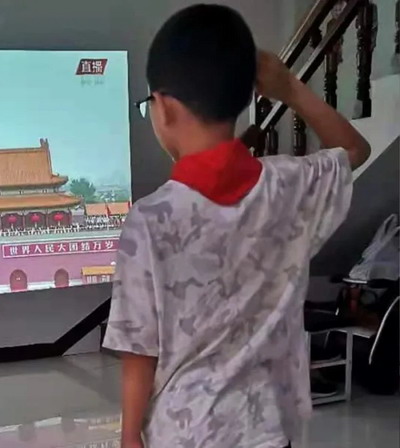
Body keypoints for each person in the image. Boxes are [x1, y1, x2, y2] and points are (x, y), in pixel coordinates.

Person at [103, 5, 370, 448]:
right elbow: (354, 150)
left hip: (185, 435)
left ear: (164, 108)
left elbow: (139, 351)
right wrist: (290, 88)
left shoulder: (150, 221)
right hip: (267, 430)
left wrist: (130, 437)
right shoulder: (289, 187)